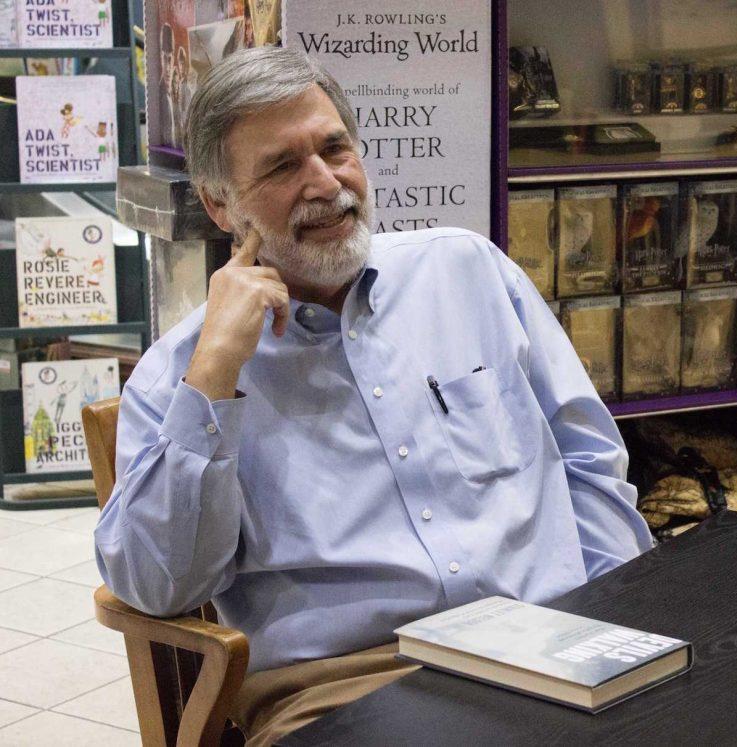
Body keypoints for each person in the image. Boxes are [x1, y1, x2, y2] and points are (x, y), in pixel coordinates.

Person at [95, 46, 653, 745]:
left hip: (551, 646)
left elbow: (589, 459)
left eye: (335, 147)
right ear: (219, 204)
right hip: (345, 688)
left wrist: (619, 615)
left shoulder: (467, 271)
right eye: (281, 165)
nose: (326, 183)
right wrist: (215, 376)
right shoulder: (180, 371)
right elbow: (157, 584)